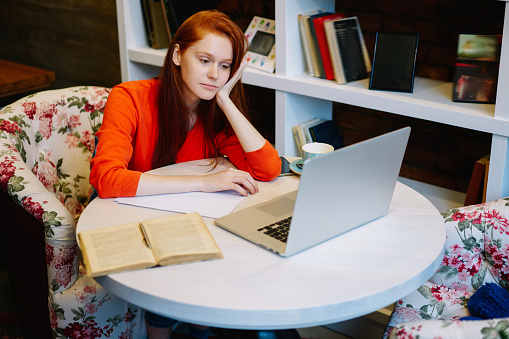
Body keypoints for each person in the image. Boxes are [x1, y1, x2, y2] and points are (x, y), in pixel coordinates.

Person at [89, 9, 281, 339]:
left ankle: (200, 329)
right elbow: (107, 180)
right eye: (205, 60)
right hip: (125, 217)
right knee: (172, 254)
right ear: (178, 54)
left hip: (185, 217)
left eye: (224, 66)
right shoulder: (130, 98)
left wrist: (226, 100)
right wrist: (206, 183)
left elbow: (268, 170)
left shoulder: (213, 113)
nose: (214, 74)